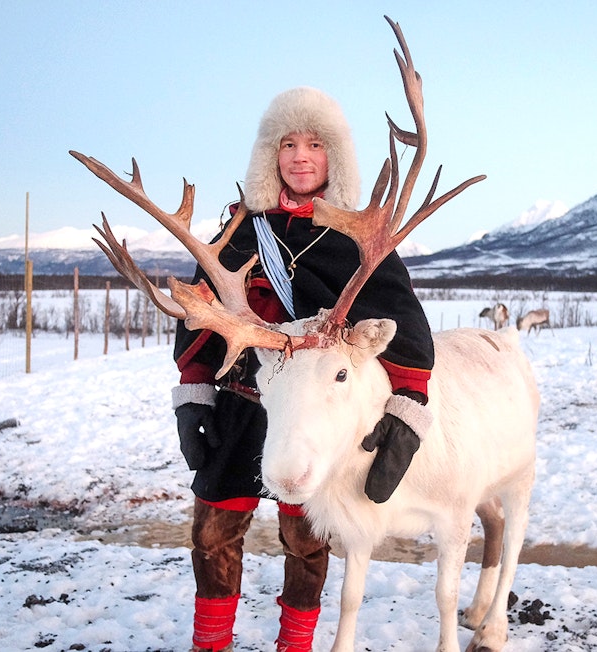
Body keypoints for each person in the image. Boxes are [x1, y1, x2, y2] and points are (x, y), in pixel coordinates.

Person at [171, 86, 435, 652]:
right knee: (214, 529)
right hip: (242, 398)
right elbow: (200, 310)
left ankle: (296, 645)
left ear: (332, 157)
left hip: (313, 412)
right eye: (287, 144)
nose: (299, 156)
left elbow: (404, 322)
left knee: (306, 536)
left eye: (314, 144)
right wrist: (194, 388)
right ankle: (210, 643)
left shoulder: (357, 238)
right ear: (271, 156)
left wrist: (408, 405)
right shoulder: (239, 230)